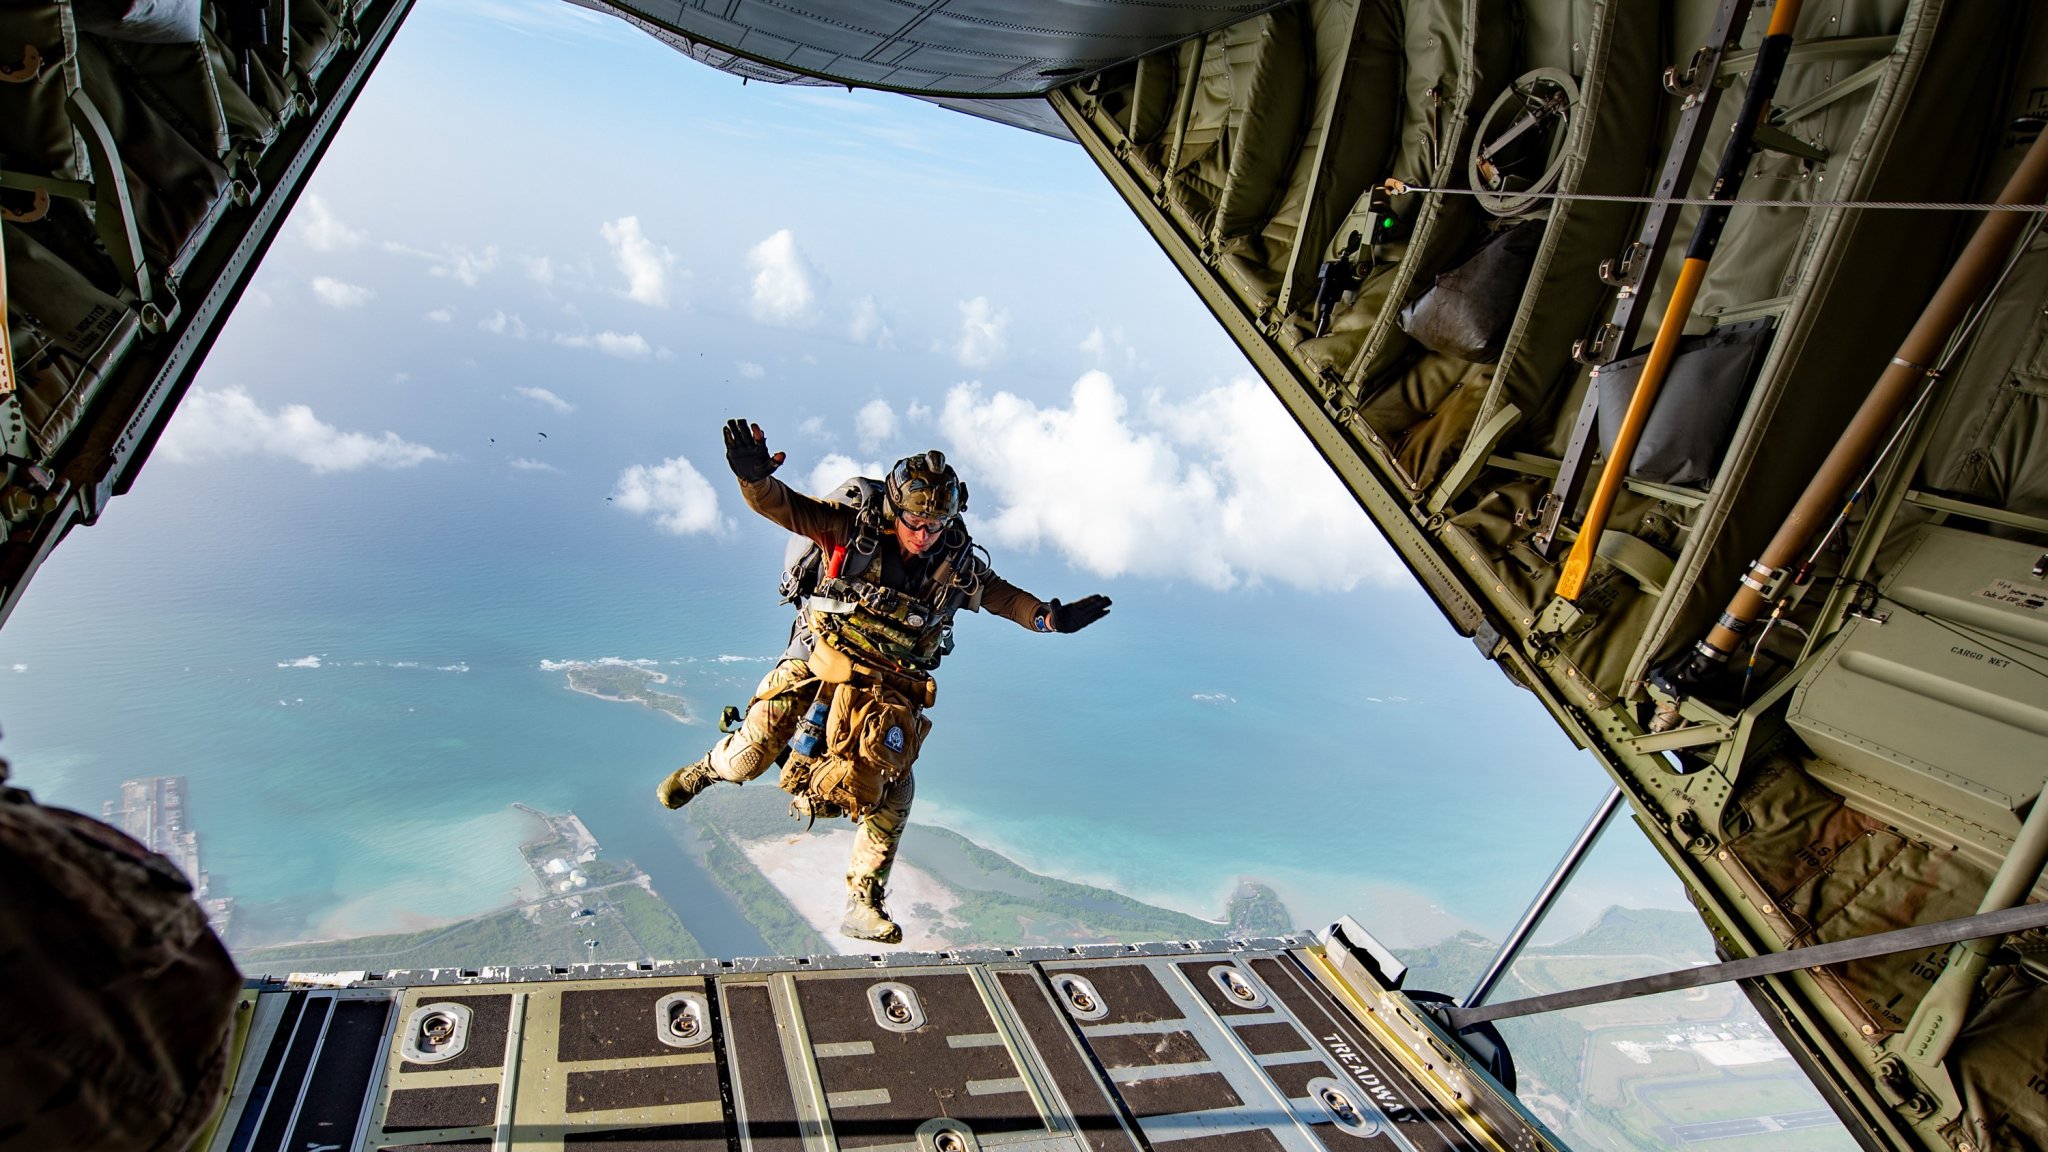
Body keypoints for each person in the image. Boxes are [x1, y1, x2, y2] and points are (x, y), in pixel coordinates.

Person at [657, 419, 1111, 943]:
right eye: (915, 521)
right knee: (753, 753)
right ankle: (705, 772)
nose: (923, 535)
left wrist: (1051, 619)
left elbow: (1005, 598)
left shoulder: (955, 563)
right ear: (896, 509)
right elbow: (784, 506)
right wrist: (753, 478)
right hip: (822, 656)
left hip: (890, 683)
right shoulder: (852, 530)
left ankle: (862, 901)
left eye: (935, 525)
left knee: (896, 788)